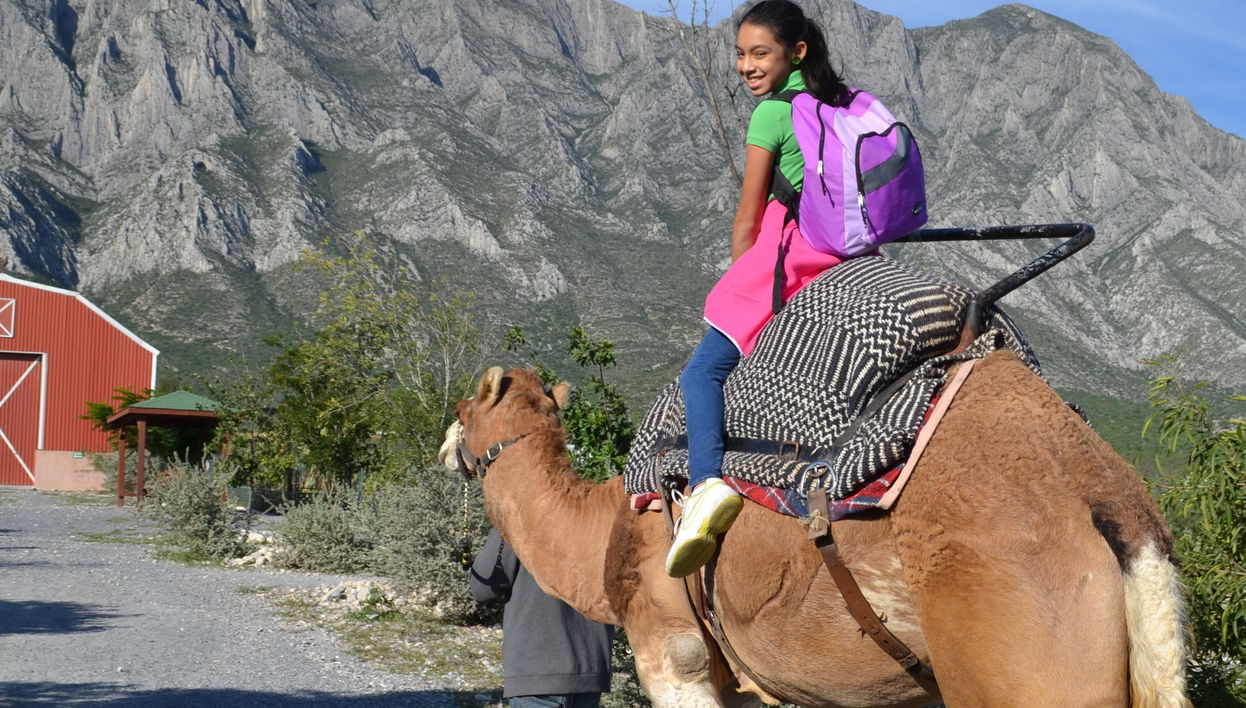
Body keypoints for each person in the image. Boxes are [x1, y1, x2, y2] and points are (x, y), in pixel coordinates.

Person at [666, 0, 859, 578]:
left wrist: (737, 281)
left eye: (760, 54)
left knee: (703, 371)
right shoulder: (840, 103)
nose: (747, 66)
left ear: (795, 53)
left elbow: (748, 218)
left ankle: (704, 486)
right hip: (849, 255)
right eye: (741, 54)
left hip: (793, 255)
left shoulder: (773, 114)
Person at [469, 528, 614, 708]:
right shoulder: (603, 511)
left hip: (537, 671)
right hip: (591, 669)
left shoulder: (520, 511)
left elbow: (483, 589)